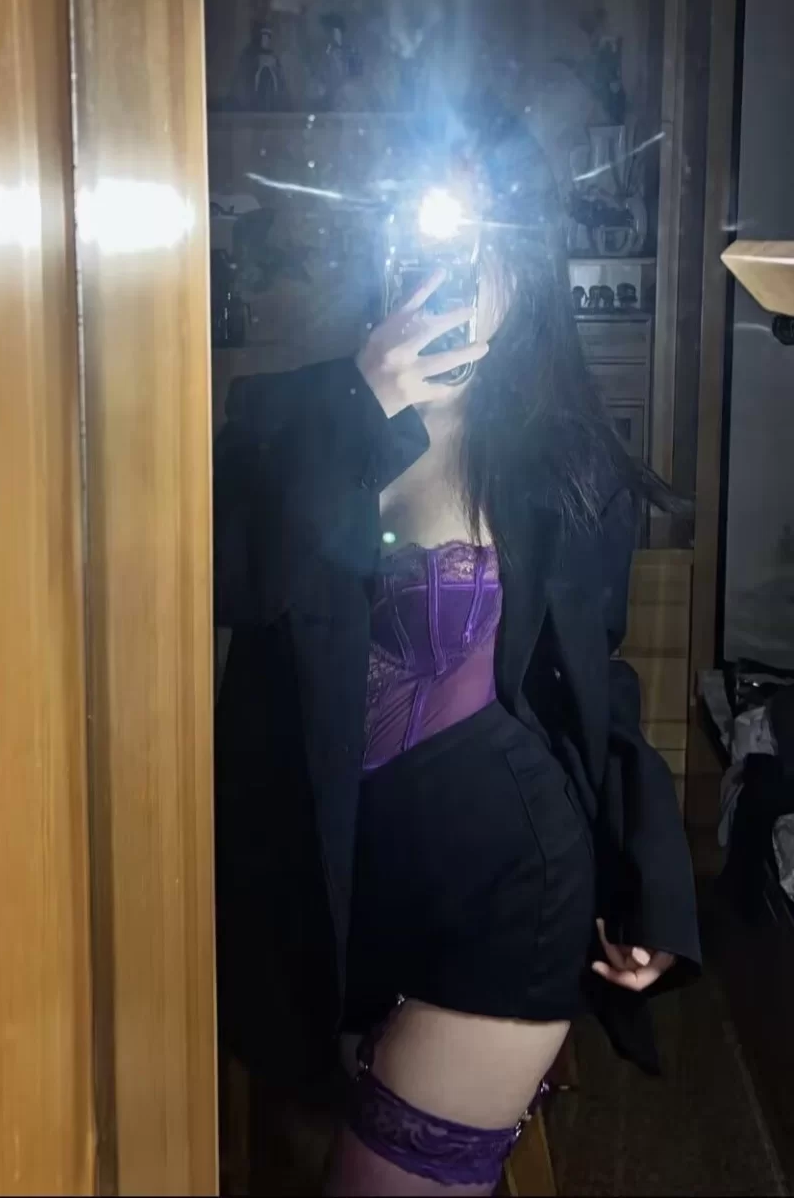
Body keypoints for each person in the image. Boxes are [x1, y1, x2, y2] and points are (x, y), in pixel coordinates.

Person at [213, 117, 701, 1196]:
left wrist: (649, 882)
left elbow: (598, 688)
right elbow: (225, 579)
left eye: (486, 237)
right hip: (325, 906)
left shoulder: (563, 460)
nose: (455, 266)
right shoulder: (289, 415)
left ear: (527, 267)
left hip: (504, 894)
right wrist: (361, 405)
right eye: (427, 228)